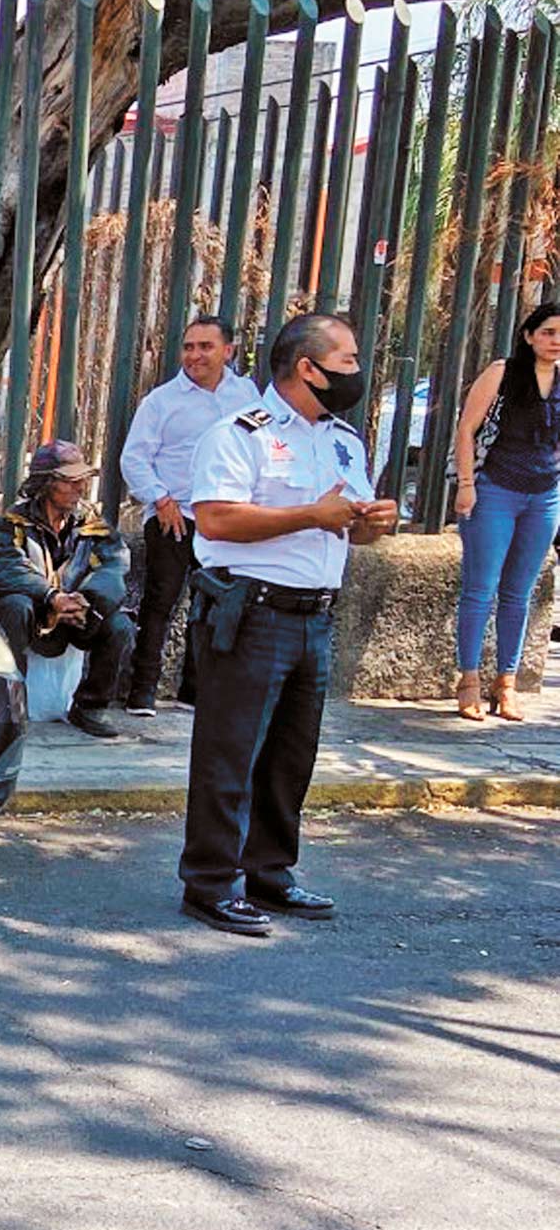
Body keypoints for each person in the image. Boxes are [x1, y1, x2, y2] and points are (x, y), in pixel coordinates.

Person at [179, 312, 397, 936]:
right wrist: (311, 514)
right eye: (347, 360)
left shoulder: (343, 440)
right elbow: (216, 520)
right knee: (229, 755)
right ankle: (209, 883)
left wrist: (371, 524)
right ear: (309, 367)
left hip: (315, 615)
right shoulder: (239, 433)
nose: (357, 371)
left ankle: (269, 872)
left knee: (290, 757)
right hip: (252, 611)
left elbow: (346, 526)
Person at [118, 316, 260, 715]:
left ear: (228, 351)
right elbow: (134, 459)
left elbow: (261, 446)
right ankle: (142, 692)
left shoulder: (248, 396)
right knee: (160, 602)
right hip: (175, 515)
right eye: (189, 346)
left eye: (205, 346)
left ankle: (195, 692)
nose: (195, 355)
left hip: (225, 517)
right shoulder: (161, 401)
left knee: (214, 604)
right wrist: (160, 499)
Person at [448, 301, 560, 721]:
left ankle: (506, 683)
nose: (555, 341)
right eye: (548, 332)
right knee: (480, 589)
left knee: (519, 592)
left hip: (544, 495)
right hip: (495, 489)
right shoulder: (503, 372)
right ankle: (469, 680)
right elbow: (466, 429)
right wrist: (466, 486)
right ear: (529, 336)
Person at [0, 440, 136, 740]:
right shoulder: (11, 523)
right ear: (46, 484)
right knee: (14, 605)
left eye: (82, 479)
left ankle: (90, 707)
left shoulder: (92, 523)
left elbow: (114, 566)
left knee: (120, 625)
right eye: (70, 481)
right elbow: (6, 569)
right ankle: (9, 706)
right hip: (35, 612)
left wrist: (87, 601)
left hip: (77, 614)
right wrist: (51, 597)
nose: (80, 487)